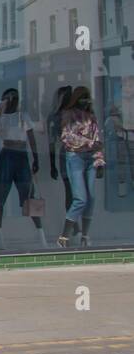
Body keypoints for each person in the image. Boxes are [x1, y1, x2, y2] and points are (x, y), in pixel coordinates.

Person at [0, 88, 45, 250]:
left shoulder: (23, 116)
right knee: (0, 199)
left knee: (28, 198)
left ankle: (42, 238)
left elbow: (31, 138)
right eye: (14, 98)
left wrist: (36, 158)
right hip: (7, 155)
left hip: (21, 156)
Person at [57, 86, 105, 248]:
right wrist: (90, 143)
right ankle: (64, 236)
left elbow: (98, 140)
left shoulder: (91, 117)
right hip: (75, 157)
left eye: (87, 98)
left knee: (91, 198)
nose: (85, 101)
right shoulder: (68, 115)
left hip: (90, 158)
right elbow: (68, 138)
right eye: (82, 98)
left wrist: (99, 161)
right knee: (80, 198)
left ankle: (85, 235)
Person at [47, 86, 74, 213]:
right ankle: (74, 225)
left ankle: (77, 225)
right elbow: (51, 142)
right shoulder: (54, 117)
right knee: (70, 190)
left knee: (76, 191)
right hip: (68, 154)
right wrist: (52, 165)